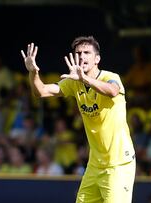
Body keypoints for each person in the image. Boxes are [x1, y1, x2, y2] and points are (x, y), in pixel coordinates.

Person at [21, 36, 136, 203]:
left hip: (118, 164)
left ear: (97, 59)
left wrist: (84, 79)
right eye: (78, 53)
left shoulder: (110, 77)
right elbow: (41, 91)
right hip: (95, 165)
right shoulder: (74, 82)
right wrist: (33, 72)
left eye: (87, 53)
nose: (82, 56)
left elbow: (112, 91)